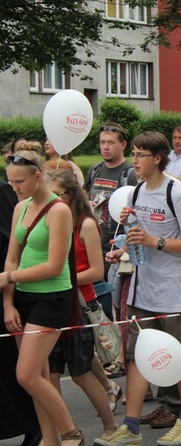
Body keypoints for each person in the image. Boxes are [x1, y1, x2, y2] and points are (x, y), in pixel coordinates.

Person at [95, 131, 181, 446]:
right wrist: (125, 249)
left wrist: (155, 241)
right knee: (137, 358)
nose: (134, 160)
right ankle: (130, 427)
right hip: (141, 289)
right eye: (133, 154)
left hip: (173, 291)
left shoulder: (176, 193)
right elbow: (139, 240)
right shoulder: (136, 192)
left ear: (156, 158)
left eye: (140, 154)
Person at [1, 150, 84, 446]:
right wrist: (8, 302)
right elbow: (12, 257)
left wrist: (9, 278)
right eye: (11, 183)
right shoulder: (20, 208)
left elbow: (53, 265)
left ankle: (72, 433)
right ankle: (50, 441)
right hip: (24, 297)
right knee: (37, 377)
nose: (15, 188)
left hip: (52, 298)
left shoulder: (58, 209)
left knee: (26, 375)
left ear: (37, 176)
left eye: (20, 182)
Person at [44, 169, 118, 440]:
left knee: (81, 371)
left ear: (70, 195)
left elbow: (96, 271)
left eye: (57, 195)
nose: (51, 201)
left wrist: (61, 277)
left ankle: (110, 425)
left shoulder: (84, 224)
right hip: (49, 303)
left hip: (79, 303)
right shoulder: (48, 221)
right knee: (49, 375)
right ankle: (61, 432)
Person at [0, 177, 41, 446]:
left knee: (12, 367)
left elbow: (11, 250)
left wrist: (8, 302)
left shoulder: (3, 193)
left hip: (5, 290)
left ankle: (34, 425)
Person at [84, 122, 138, 272]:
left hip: (119, 248)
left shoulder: (130, 174)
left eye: (111, 142)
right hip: (94, 245)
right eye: (102, 142)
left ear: (123, 145)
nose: (105, 147)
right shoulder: (95, 170)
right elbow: (85, 198)